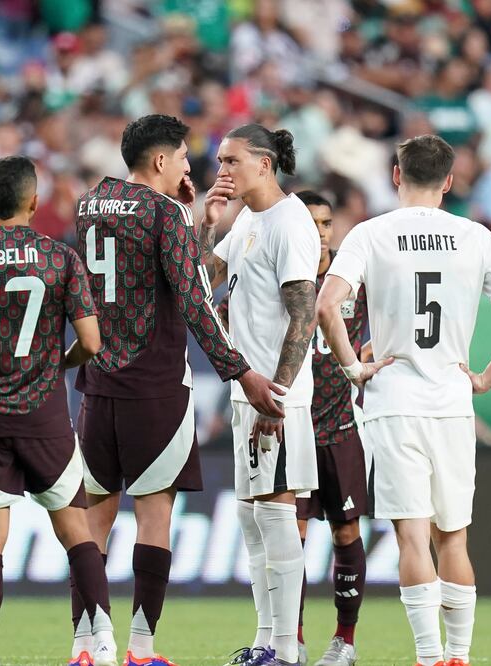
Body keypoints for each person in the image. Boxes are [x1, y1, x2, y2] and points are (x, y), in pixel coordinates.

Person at [316, 134, 491, 666]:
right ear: (450, 181)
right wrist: (484, 378)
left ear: (396, 174)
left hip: (393, 401)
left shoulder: (370, 234)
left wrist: (354, 368)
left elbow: (328, 306)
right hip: (452, 404)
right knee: (453, 539)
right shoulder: (475, 236)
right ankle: (458, 656)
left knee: (412, 540)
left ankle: (427, 656)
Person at [72, 114, 284, 666]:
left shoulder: (89, 203)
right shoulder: (164, 211)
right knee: (153, 516)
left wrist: (197, 219)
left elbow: (141, 272)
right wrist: (242, 371)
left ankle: (85, 650)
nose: (192, 169)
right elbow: (193, 300)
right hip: (155, 385)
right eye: (185, 160)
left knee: (94, 518)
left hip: (97, 385)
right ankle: (140, 650)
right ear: (161, 161)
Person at [0, 156, 117, 666]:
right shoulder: (61, 259)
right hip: (46, 417)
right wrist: (56, 361)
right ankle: (103, 641)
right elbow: (93, 343)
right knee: (76, 527)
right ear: (34, 201)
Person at [202, 124, 320, 666]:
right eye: (220, 161)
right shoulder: (248, 218)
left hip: (275, 395)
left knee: (276, 516)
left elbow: (304, 311)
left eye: (231, 161)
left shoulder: (291, 223)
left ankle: (286, 649)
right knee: (252, 520)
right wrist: (207, 222)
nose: (222, 170)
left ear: (265, 163)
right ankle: (265, 641)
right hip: (246, 392)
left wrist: (279, 393)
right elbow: (200, 280)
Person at [292, 190, 369, 666]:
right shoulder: (281, 272)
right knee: (290, 539)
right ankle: (291, 638)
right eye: (311, 223)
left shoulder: (352, 275)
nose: (320, 233)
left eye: (325, 223)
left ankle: (345, 641)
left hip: (340, 425)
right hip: (292, 426)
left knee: (345, 532)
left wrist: (369, 347)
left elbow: (393, 312)